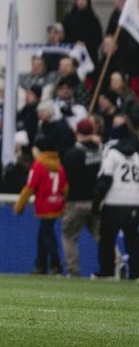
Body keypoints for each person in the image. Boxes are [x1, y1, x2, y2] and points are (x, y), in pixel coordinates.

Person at [15, 133, 69, 274]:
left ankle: (55, 264)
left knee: (47, 235)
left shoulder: (38, 165)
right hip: (56, 204)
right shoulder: (59, 165)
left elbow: (30, 187)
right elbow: (65, 188)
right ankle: (41, 264)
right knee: (43, 234)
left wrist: (20, 205)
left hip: (44, 205)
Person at [96, 118, 139, 279]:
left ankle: (106, 271)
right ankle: (136, 273)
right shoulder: (136, 155)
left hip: (114, 201)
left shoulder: (113, 153)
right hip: (134, 202)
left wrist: (97, 201)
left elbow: (106, 179)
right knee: (133, 240)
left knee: (107, 238)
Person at [61, 118, 103, 277]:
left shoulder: (72, 154)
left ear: (76, 132)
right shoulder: (100, 151)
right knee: (102, 237)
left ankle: (73, 271)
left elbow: (65, 178)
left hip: (75, 201)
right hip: (96, 200)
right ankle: (116, 264)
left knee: (69, 237)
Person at [63, 0, 104, 75]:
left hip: (89, 54)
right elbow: (64, 35)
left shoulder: (93, 19)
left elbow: (98, 37)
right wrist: (74, 43)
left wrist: (86, 44)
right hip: (72, 53)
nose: (81, 2)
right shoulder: (68, 18)